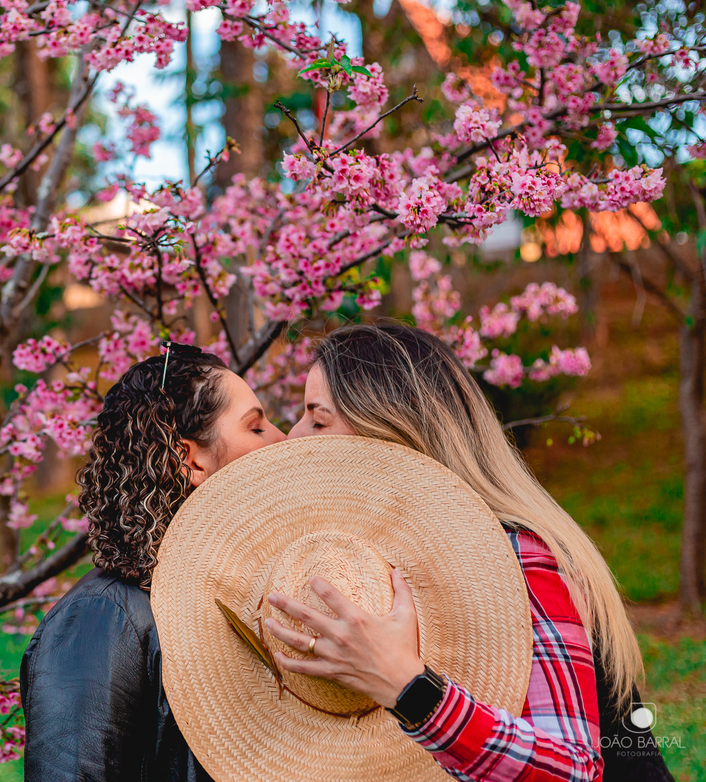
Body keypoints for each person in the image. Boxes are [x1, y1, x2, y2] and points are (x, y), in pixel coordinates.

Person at [265, 322, 671, 782]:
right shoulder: (375, 563)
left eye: (317, 419)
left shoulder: (513, 559)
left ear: (392, 430)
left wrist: (408, 688)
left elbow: (573, 771)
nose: (290, 438)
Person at [20, 344, 284, 782]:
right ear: (190, 459)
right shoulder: (103, 619)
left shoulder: (220, 599)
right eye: (256, 427)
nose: (282, 438)